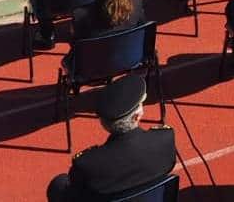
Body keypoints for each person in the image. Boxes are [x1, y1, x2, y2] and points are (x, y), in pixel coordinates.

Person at [46, 75, 176, 202]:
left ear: (104, 124)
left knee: (58, 185)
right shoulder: (165, 138)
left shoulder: (87, 164)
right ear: (137, 116)